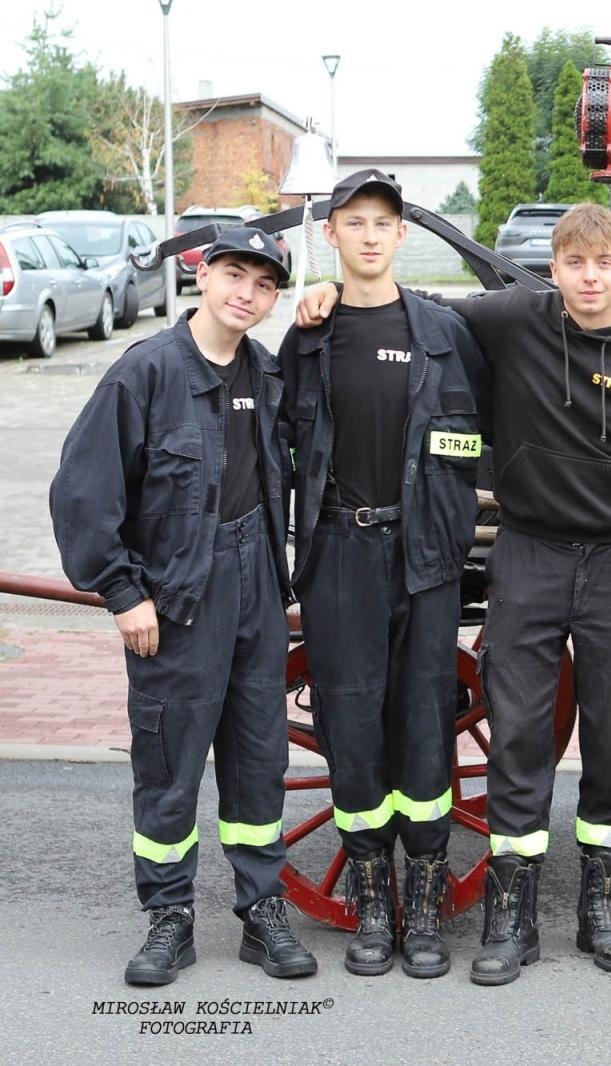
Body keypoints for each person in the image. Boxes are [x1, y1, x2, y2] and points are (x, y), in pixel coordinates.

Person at [297, 203, 611, 983]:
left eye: (604, 264)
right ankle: (510, 915)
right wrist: (331, 293)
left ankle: (604, 908)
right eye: (574, 264)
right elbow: (417, 308)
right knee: (518, 738)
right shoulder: (515, 318)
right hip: (528, 555)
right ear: (553, 271)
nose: (589, 278)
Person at [50, 227, 317, 986]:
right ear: (203, 275)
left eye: (264, 285)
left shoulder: (267, 374)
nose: (247, 294)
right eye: (235, 275)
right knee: (168, 764)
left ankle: (262, 911)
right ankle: (169, 915)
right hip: (177, 598)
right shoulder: (146, 373)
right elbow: (82, 492)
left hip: (257, 582)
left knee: (259, 757)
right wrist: (122, 592)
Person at [277, 169, 487, 979]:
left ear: (402, 235)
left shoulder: (445, 333)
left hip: (425, 556)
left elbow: (482, 435)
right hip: (338, 555)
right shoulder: (308, 338)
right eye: (354, 222)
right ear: (331, 235)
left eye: (382, 223)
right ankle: (372, 894)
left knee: (426, 723)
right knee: (353, 726)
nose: (369, 235)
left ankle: (424, 896)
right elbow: (274, 450)